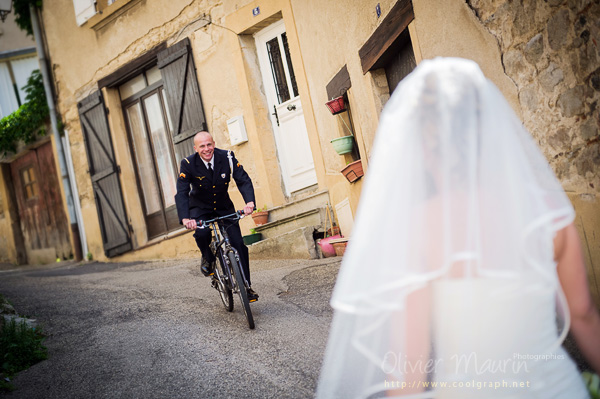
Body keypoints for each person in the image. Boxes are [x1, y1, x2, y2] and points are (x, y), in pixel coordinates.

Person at [316, 58, 600, 398]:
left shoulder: (417, 229)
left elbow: (410, 369)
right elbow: (583, 316)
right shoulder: (547, 211)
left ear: (420, 146)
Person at [175, 131, 259, 301]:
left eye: (209, 144)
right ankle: (207, 257)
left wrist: (249, 202)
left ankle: (246, 286)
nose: (207, 149)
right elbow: (182, 192)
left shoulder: (227, 157)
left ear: (214, 143)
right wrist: (185, 218)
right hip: (200, 209)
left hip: (224, 207)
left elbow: (242, 179)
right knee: (202, 233)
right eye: (202, 146)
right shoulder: (188, 164)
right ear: (196, 148)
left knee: (238, 245)